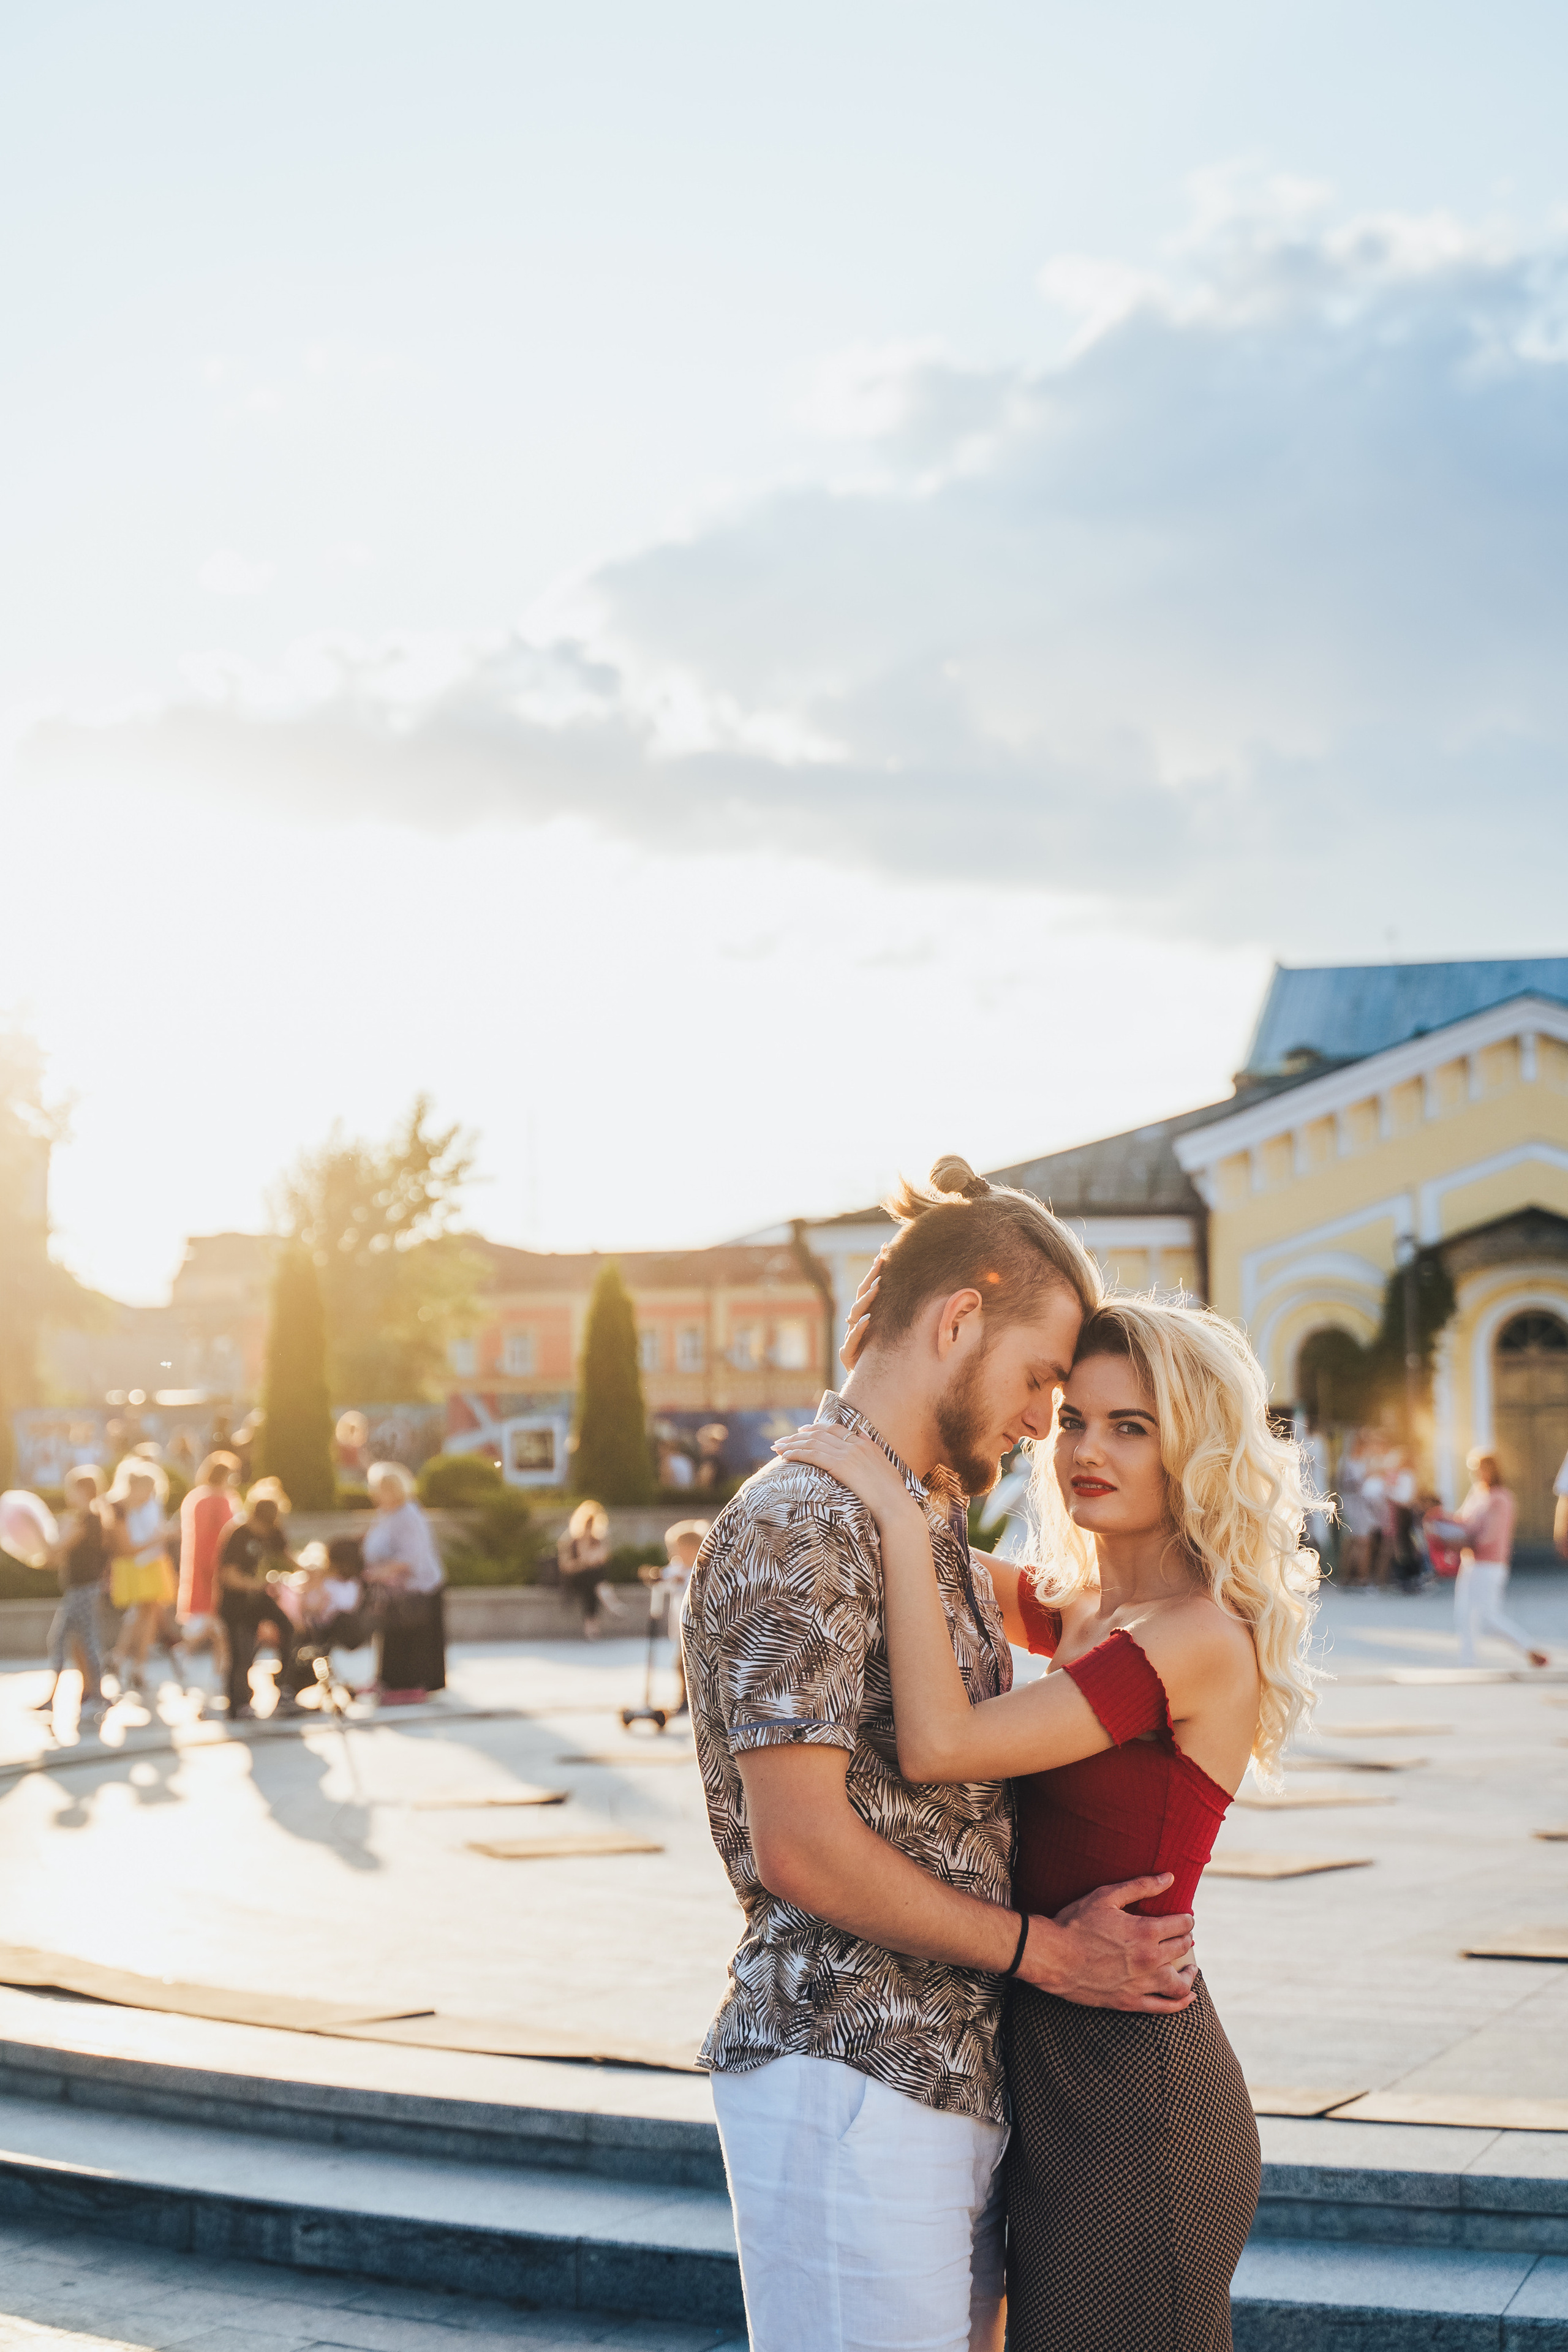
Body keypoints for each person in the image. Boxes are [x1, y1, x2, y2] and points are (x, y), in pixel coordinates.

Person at [682, 1158, 1200, 2352]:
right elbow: (802, 1846)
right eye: (1037, 1382)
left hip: (935, 2081)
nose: (1039, 1425)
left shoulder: (912, 1518)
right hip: (843, 2067)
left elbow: (1104, 1612)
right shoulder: (800, 1519)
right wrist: (1050, 1957)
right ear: (956, 1319)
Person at [776, 1290, 1321, 2352]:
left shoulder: (1194, 1636)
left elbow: (942, 1742)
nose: (1088, 1450)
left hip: (1139, 2097)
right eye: (1074, 1417)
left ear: (1193, 1450)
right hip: (1048, 2068)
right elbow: (923, 1559)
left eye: (1133, 1427)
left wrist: (890, 1512)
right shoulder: (1078, 1610)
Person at [1427, 1449, 1549, 1669]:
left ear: (1492, 1469)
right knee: (1464, 1614)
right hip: (1471, 1562)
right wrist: (1441, 1523)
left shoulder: (1501, 1498)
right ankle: (1468, 1661)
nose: (1477, 1474)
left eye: (1480, 1468)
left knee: (1487, 1618)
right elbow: (1463, 1521)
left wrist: (1462, 1539)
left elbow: (1490, 1535)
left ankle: (1528, 1647)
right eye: (1473, 1469)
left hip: (1490, 1564)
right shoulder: (1477, 1494)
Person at [216, 1480, 301, 1721]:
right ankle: (239, 1703)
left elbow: (287, 1557)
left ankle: (285, 1688)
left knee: (288, 1629)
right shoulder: (238, 1534)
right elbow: (228, 1576)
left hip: (259, 1598)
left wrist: (311, 1569)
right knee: (241, 1653)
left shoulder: (273, 1531)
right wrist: (258, 1584)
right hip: (236, 1602)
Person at [362, 1461, 447, 1702]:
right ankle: (389, 1682)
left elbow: (412, 1557)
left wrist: (381, 1572)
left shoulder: (409, 1514)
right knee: (392, 1636)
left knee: (412, 1638)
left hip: (418, 1588)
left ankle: (412, 1685)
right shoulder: (385, 1514)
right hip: (394, 1589)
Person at [32, 1466, 110, 1724]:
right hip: (79, 1589)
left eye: (72, 1489)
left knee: (80, 1641)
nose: (68, 1495)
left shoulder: (86, 1520)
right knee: (70, 1641)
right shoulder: (89, 1518)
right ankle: (65, 1696)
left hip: (83, 1590)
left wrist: (33, 1530)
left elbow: (56, 1547)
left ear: (84, 1491)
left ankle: (95, 1696)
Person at [106, 1458, 177, 1696]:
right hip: (132, 1564)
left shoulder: (150, 1506)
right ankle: (125, 1659)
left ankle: (131, 1662)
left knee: (146, 1612)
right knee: (140, 1612)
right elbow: (126, 1547)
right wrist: (159, 1539)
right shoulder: (118, 1508)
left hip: (151, 1563)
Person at [177, 1451, 241, 1689]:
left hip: (202, 1566)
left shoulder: (198, 1499)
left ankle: (218, 1669)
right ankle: (217, 1669)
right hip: (216, 1568)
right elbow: (223, 1537)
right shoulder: (221, 1500)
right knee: (219, 1624)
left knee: (217, 1627)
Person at [658, 1518, 709, 1717]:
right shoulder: (677, 1567)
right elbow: (665, 1577)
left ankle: (688, 1698)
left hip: (695, 1625)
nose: (673, 1554)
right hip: (680, 1625)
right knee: (680, 1662)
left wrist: (682, 1580)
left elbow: (692, 1584)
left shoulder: (700, 1569)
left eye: (676, 1549)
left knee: (684, 1663)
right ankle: (685, 1697)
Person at [557, 1500, 612, 1637]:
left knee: (592, 1584)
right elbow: (566, 1567)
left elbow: (603, 1560)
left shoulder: (597, 1541)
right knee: (594, 1580)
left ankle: (590, 1625)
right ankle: (608, 1601)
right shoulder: (571, 1542)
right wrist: (583, 1562)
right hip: (574, 1578)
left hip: (590, 1580)